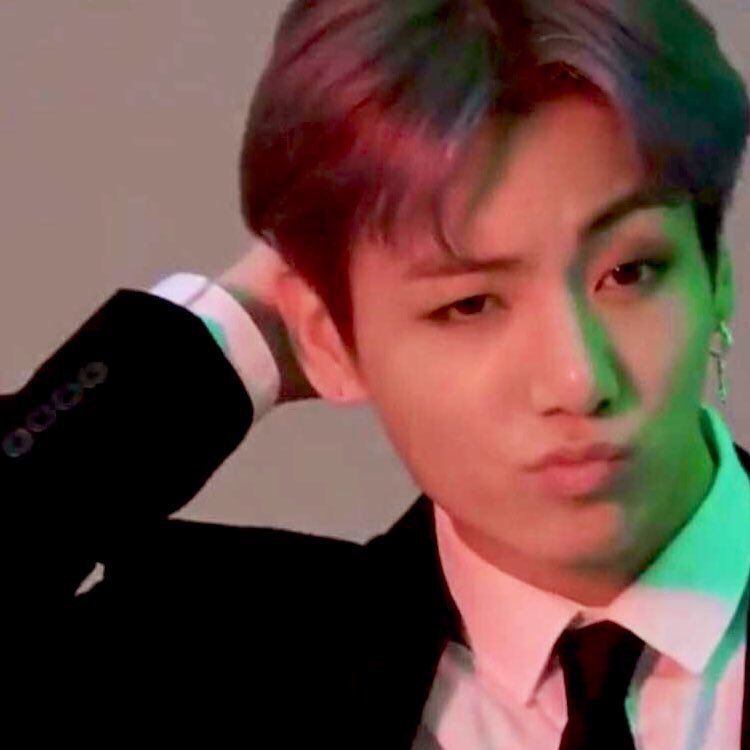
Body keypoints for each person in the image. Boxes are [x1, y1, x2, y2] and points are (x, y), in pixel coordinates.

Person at [3, 0, 749, 747]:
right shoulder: (194, 665)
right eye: (469, 304)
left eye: (630, 272)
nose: (578, 381)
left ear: (716, 273)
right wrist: (224, 337)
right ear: (331, 339)